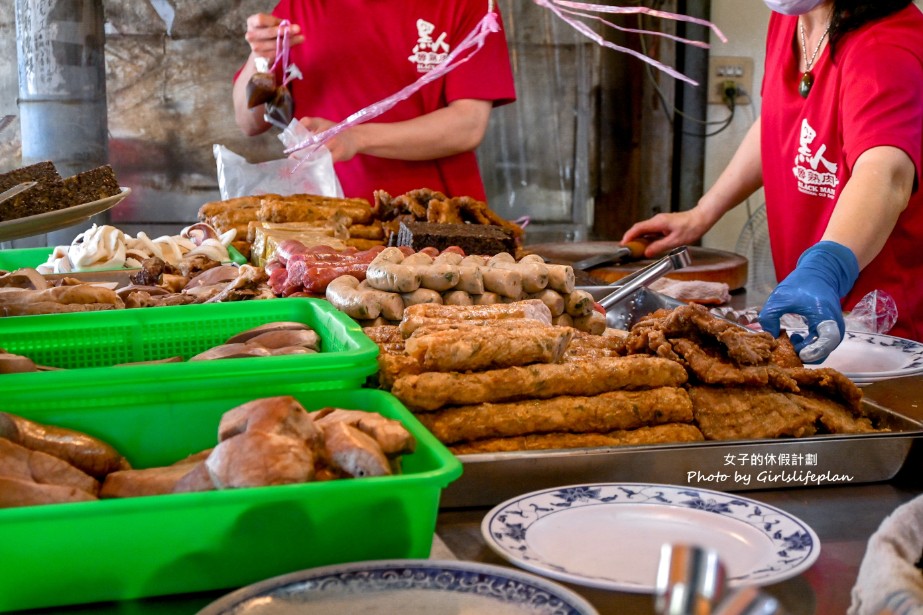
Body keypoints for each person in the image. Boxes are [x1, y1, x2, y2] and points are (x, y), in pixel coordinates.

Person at [621, 0, 923, 362]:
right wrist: (701, 214)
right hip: (806, 316)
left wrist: (824, 270)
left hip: (887, 334)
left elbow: (887, 175)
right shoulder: (791, 17)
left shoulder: (886, 46)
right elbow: (777, 121)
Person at [232, 1, 516, 205]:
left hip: (438, 221)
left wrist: (354, 137)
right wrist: (260, 56)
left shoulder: (471, 5)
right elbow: (248, 122)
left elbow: (467, 125)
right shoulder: (298, 8)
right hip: (325, 224)